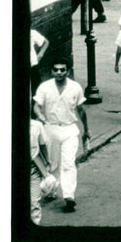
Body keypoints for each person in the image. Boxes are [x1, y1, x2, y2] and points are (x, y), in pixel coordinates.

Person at [33, 58, 90, 213]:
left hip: (69, 129)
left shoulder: (75, 87)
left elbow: (81, 110)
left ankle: (69, 196)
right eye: (56, 70)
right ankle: (51, 190)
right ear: (52, 71)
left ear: (68, 71)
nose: (59, 73)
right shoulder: (44, 87)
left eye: (62, 70)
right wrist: (41, 117)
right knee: (52, 163)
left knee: (68, 163)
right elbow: (37, 106)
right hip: (50, 129)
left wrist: (86, 129)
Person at [30, 105, 50, 225]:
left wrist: (47, 161)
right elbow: (43, 146)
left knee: (34, 200)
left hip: (33, 166)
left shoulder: (36, 126)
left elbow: (43, 145)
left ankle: (35, 224)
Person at [30, 29, 49, 96]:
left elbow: (45, 42)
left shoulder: (32, 33)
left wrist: (40, 55)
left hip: (32, 65)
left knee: (35, 90)